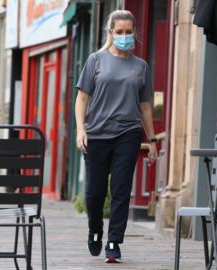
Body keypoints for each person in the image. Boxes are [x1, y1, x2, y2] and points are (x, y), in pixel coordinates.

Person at [74, 9, 157, 263]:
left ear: (135, 33)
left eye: (128, 32)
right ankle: (96, 230)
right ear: (111, 33)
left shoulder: (140, 67)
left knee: (121, 189)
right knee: (95, 193)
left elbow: (145, 106)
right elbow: (82, 98)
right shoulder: (95, 60)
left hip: (128, 133)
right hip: (97, 133)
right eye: (119, 32)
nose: (124, 36)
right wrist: (80, 129)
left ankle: (114, 242)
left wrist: (152, 140)